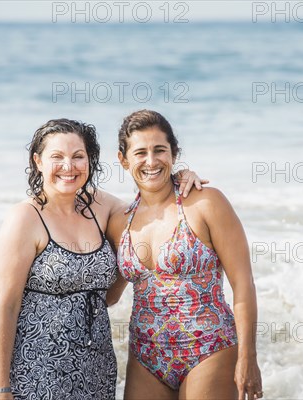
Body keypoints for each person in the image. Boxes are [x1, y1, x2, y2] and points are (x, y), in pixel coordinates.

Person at [0, 118, 204, 400]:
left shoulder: (99, 207)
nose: (69, 166)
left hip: (96, 366)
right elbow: (6, 307)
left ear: (89, 161)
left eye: (78, 156)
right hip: (38, 368)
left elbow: (151, 209)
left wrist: (178, 177)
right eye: (57, 157)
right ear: (38, 161)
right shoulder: (25, 218)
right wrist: (0, 389)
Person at [107, 110, 262, 400]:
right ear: (123, 160)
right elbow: (110, 294)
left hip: (208, 348)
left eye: (159, 150)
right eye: (140, 152)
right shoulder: (118, 221)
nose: (151, 161)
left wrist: (248, 358)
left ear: (174, 153)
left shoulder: (206, 202)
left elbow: (243, 284)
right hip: (145, 356)